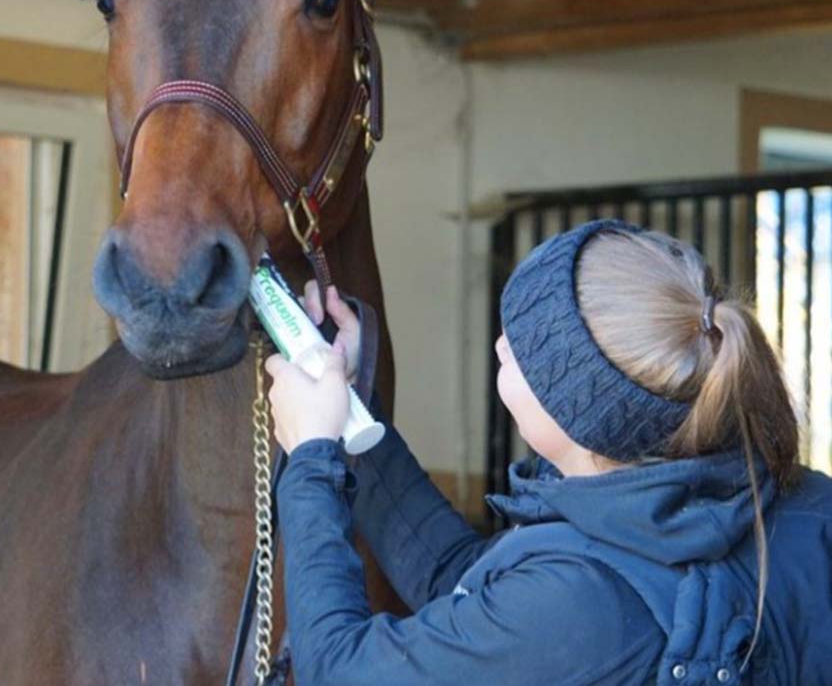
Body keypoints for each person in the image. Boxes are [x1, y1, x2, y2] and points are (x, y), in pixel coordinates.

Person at [264, 219, 832, 685]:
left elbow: (339, 673)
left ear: (578, 415)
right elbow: (464, 583)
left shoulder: (580, 603)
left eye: (528, 350)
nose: (502, 342)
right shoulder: (801, 507)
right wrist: (354, 421)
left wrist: (311, 457)